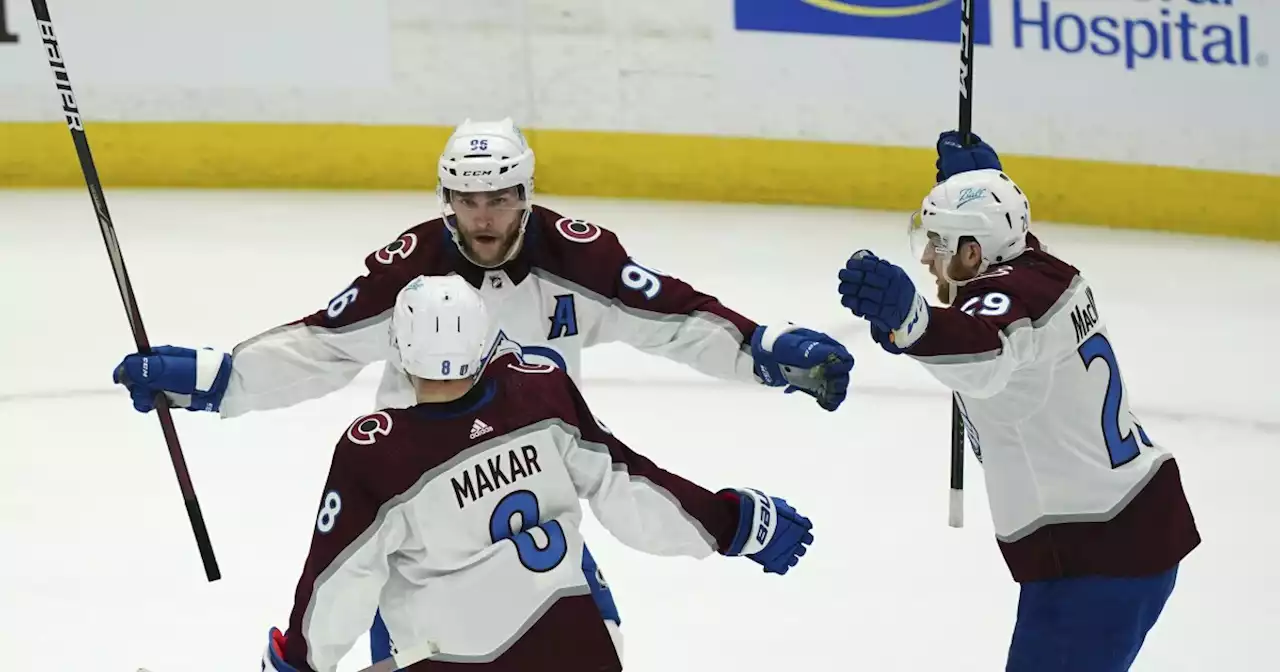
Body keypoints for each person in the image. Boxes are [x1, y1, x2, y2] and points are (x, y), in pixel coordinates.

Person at [112, 117, 852, 662]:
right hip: (421, 515)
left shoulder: (577, 258)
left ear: (526, 194)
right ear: (446, 200)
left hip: (517, 485)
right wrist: (220, 379)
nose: (485, 217)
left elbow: (674, 319)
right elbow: (321, 346)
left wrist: (766, 350)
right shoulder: (410, 269)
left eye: (499, 199)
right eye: (468, 201)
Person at [258, 275, 815, 672]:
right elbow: (627, 484)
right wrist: (732, 523)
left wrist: (296, 662)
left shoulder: (378, 451)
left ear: (400, 352)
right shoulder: (539, 392)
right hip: (581, 647)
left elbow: (340, 582)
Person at [834, 132, 1201, 671]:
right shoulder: (1044, 271)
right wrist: (981, 188)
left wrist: (911, 321)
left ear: (974, 251)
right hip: (1120, 534)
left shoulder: (1010, 305)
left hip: (1096, 558)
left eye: (938, 244)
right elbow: (993, 306)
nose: (930, 260)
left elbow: (983, 354)